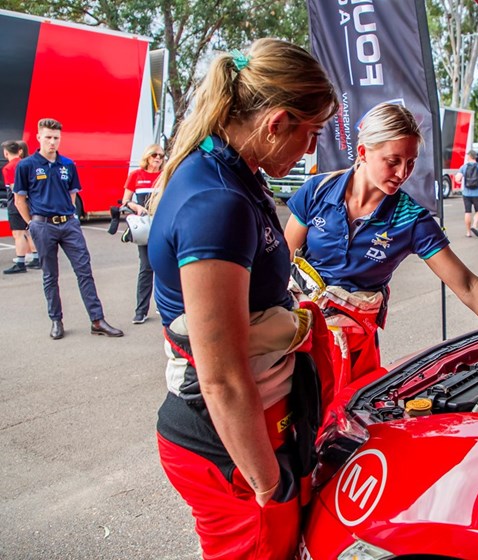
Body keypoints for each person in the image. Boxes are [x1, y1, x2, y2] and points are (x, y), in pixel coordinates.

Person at [146, 39, 338, 559]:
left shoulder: (233, 170)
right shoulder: (218, 201)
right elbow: (222, 378)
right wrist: (268, 484)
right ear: (276, 122)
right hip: (229, 446)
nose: (311, 151)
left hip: (254, 429)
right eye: (311, 134)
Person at [285, 102, 478, 390]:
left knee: (339, 429)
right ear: (363, 152)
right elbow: (282, 262)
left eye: (410, 162)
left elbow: (468, 286)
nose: (403, 173)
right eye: (393, 160)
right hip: (297, 336)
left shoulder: (412, 219)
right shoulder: (317, 190)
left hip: (353, 353)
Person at [13, 119, 123, 340]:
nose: (52, 142)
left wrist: (69, 217)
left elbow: (72, 196)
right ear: (38, 138)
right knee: (50, 275)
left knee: (84, 272)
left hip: (69, 225)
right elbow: (19, 200)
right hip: (42, 226)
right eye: (48, 137)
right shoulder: (26, 166)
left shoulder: (68, 165)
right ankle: (56, 320)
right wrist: (32, 224)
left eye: (56, 138)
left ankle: (97, 320)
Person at [120, 144, 163, 324]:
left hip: (162, 224)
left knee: (165, 266)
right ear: (147, 156)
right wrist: (136, 207)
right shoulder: (136, 175)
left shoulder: (165, 175)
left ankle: (163, 305)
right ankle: (141, 311)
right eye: (155, 155)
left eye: (161, 155)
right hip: (145, 226)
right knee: (146, 267)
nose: (158, 158)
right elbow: (125, 201)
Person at [3, 140, 40, 274]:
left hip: (16, 204)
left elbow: (15, 189)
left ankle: (20, 262)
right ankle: (37, 258)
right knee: (30, 230)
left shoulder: (8, 168)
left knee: (18, 233)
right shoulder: (28, 163)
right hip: (31, 202)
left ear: (6, 152)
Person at [455, 149, 478, 237]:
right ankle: (475, 225)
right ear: (475, 157)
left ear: (469, 156)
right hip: (477, 193)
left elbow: (458, 179)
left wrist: (461, 179)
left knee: (467, 212)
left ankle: (468, 232)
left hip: (466, 193)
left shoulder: (464, 167)